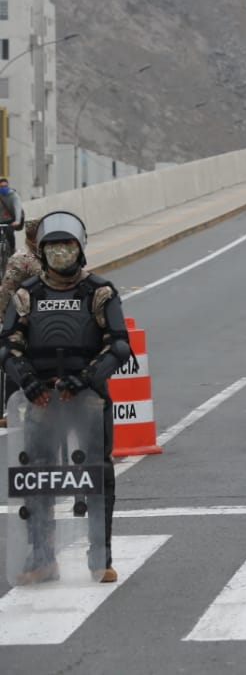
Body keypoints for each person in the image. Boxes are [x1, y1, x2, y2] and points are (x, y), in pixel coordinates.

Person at [0, 211, 132, 583]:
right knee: (36, 477)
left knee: (98, 477)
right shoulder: (28, 294)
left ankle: (100, 558)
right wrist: (27, 381)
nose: (61, 254)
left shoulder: (99, 292)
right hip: (42, 399)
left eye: (67, 246)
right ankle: (42, 557)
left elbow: (120, 345)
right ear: (41, 252)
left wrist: (86, 377)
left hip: (87, 398)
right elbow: (8, 347)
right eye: (53, 247)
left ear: (80, 248)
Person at [0, 220, 44, 428]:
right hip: (23, 320)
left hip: (46, 320)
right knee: (14, 363)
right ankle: (12, 410)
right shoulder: (21, 260)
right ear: (30, 239)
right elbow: (7, 290)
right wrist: (8, 320)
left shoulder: (50, 256)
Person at [0, 177, 23, 270]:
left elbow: (18, 208)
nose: (4, 188)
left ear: (8, 186)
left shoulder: (13, 195)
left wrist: (17, 221)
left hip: (10, 221)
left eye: (5, 186)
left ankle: (12, 251)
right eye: (1, 187)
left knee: (10, 235)